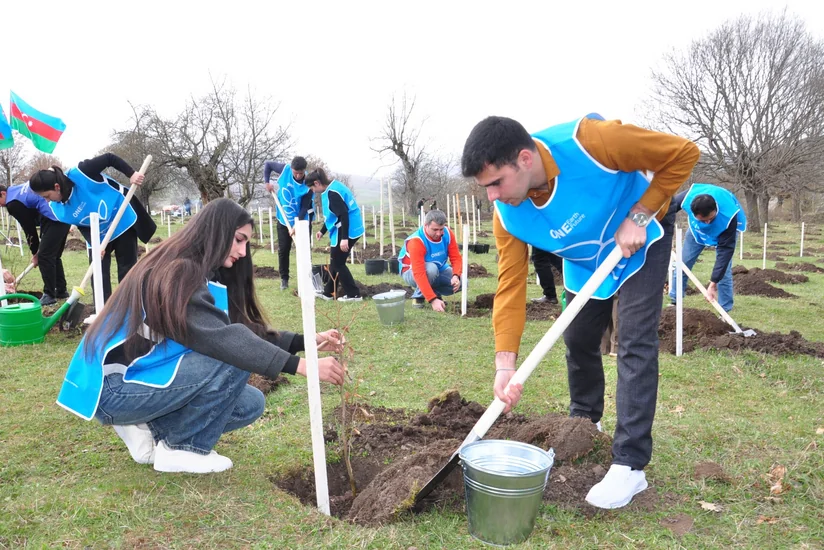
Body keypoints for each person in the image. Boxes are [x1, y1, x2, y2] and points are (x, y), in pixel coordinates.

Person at [461, 114, 699, 509]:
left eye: (496, 183)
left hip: (641, 236)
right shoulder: (507, 215)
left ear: (524, 159)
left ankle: (629, 464)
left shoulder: (592, 141)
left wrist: (639, 215)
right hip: (587, 261)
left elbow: (683, 153)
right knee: (578, 338)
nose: (492, 197)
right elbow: (510, 285)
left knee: (634, 339)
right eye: (485, 187)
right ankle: (584, 423)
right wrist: (505, 364)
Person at [55, 199, 345, 474]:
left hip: (136, 376)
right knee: (232, 356)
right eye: (239, 239)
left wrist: (304, 341)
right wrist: (303, 366)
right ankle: (181, 448)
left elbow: (236, 329)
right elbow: (226, 340)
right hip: (112, 387)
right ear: (217, 231)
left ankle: (148, 430)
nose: (244, 251)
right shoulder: (178, 271)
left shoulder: (196, 270)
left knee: (249, 404)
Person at [29, 153, 157, 301]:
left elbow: (109, 158)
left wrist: (131, 174)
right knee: (98, 273)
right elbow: (82, 224)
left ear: (56, 187)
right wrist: (95, 243)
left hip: (121, 217)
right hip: (98, 231)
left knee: (126, 267)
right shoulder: (58, 209)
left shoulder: (81, 172)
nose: (47, 201)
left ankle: (128, 305)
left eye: (47, 196)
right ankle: (103, 309)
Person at [667, 184, 746, 311]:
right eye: (703, 220)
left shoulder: (729, 216)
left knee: (724, 271)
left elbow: (724, 254)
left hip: (723, 228)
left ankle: (724, 309)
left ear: (715, 209)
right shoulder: (686, 198)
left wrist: (713, 283)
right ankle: (675, 301)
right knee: (683, 262)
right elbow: (665, 210)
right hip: (696, 231)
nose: (707, 223)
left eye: (710, 219)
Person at [0, 182, 71, 305]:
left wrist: (35, 252)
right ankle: (61, 291)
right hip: (63, 215)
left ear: (3, 193)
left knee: (44, 256)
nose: (1, 206)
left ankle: (49, 295)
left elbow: (28, 227)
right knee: (53, 256)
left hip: (53, 218)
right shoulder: (16, 190)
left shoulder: (12, 203)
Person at [306, 169, 365, 301]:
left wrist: (344, 239)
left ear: (316, 183)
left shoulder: (332, 194)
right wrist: (322, 231)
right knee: (335, 260)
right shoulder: (333, 187)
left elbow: (343, 215)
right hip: (346, 226)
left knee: (338, 263)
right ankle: (329, 293)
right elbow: (333, 216)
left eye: (312, 188)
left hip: (348, 228)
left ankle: (354, 295)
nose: (313, 191)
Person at [398, 210, 463, 311]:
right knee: (431, 269)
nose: (439, 233)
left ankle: (434, 292)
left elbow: (456, 257)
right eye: (435, 229)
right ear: (426, 225)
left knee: (463, 281)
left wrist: (456, 276)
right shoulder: (416, 241)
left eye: (441, 229)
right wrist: (432, 300)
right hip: (411, 272)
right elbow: (419, 273)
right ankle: (419, 297)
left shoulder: (448, 234)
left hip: (439, 268)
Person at [263, 157, 311, 290]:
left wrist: (297, 224)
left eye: (300, 173)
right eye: (295, 172)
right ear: (291, 169)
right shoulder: (285, 170)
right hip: (283, 219)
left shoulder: (308, 183)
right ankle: (284, 279)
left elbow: (305, 207)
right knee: (283, 250)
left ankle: (307, 279)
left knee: (304, 250)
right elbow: (268, 165)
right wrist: (267, 182)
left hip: (301, 220)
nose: (298, 175)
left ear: (304, 171)